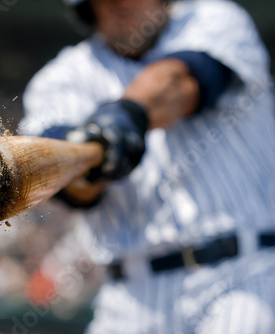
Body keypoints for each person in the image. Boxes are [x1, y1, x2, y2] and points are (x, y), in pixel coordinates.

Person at [19, 0, 275, 332]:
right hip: (130, 299)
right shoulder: (59, 80)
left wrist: (120, 122)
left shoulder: (215, 17)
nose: (123, 2)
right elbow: (70, 189)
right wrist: (90, 165)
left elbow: (182, 82)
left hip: (243, 276)